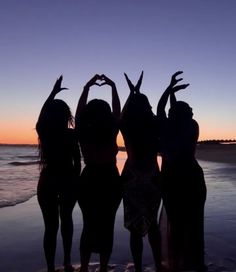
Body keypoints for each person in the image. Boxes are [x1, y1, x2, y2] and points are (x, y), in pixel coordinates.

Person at [157, 71, 207, 272]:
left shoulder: (167, 128)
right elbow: (170, 110)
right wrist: (172, 93)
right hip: (193, 177)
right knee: (195, 223)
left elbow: (162, 108)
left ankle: (176, 263)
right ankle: (196, 263)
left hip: (172, 180)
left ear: (172, 115)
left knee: (176, 224)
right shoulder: (192, 126)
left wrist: (169, 88)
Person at [75, 74, 122, 272]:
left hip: (89, 180)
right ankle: (103, 268)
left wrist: (87, 86)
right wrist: (113, 86)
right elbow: (117, 112)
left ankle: (84, 268)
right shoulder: (111, 127)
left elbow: (79, 113)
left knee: (88, 226)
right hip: (110, 179)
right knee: (107, 226)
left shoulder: (82, 128)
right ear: (106, 113)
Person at [36, 76, 81, 272]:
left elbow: (42, 115)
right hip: (68, 180)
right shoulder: (71, 135)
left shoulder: (44, 132)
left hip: (47, 180)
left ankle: (50, 267)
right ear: (66, 115)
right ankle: (67, 262)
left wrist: (53, 93)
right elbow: (78, 162)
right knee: (67, 221)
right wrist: (76, 181)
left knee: (50, 227)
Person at [120, 72, 162, 272]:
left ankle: (137, 268)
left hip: (132, 178)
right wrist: (135, 91)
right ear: (147, 108)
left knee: (134, 230)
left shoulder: (128, 127)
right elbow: (157, 111)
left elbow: (123, 115)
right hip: (153, 176)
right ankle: (158, 265)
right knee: (153, 225)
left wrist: (132, 92)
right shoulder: (154, 125)